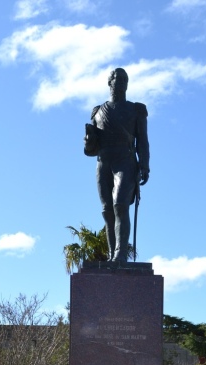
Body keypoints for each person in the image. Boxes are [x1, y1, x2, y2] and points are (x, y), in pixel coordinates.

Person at [88, 67, 150, 262]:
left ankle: (120, 253)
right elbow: (91, 150)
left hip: (125, 160)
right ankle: (111, 253)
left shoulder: (136, 110)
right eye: (118, 78)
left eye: (125, 79)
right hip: (104, 161)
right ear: (110, 82)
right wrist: (89, 140)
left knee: (120, 205)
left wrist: (145, 165)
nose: (122, 82)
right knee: (107, 210)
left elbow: (143, 140)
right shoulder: (98, 112)